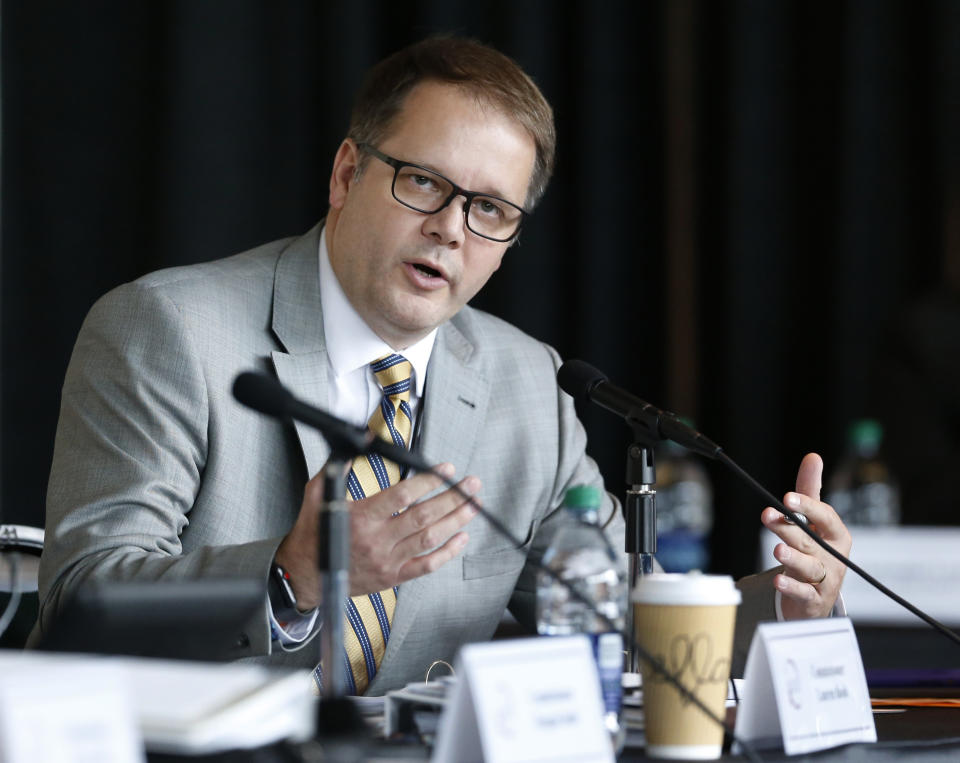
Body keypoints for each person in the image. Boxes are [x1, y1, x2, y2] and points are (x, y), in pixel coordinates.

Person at [31, 36, 851, 693]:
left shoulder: (530, 381)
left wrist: (776, 606)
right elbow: (82, 602)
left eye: (490, 208)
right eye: (424, 183)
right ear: (347, 174)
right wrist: (293, 576)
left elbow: (615, 625)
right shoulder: (169, 328)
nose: (452, 229)